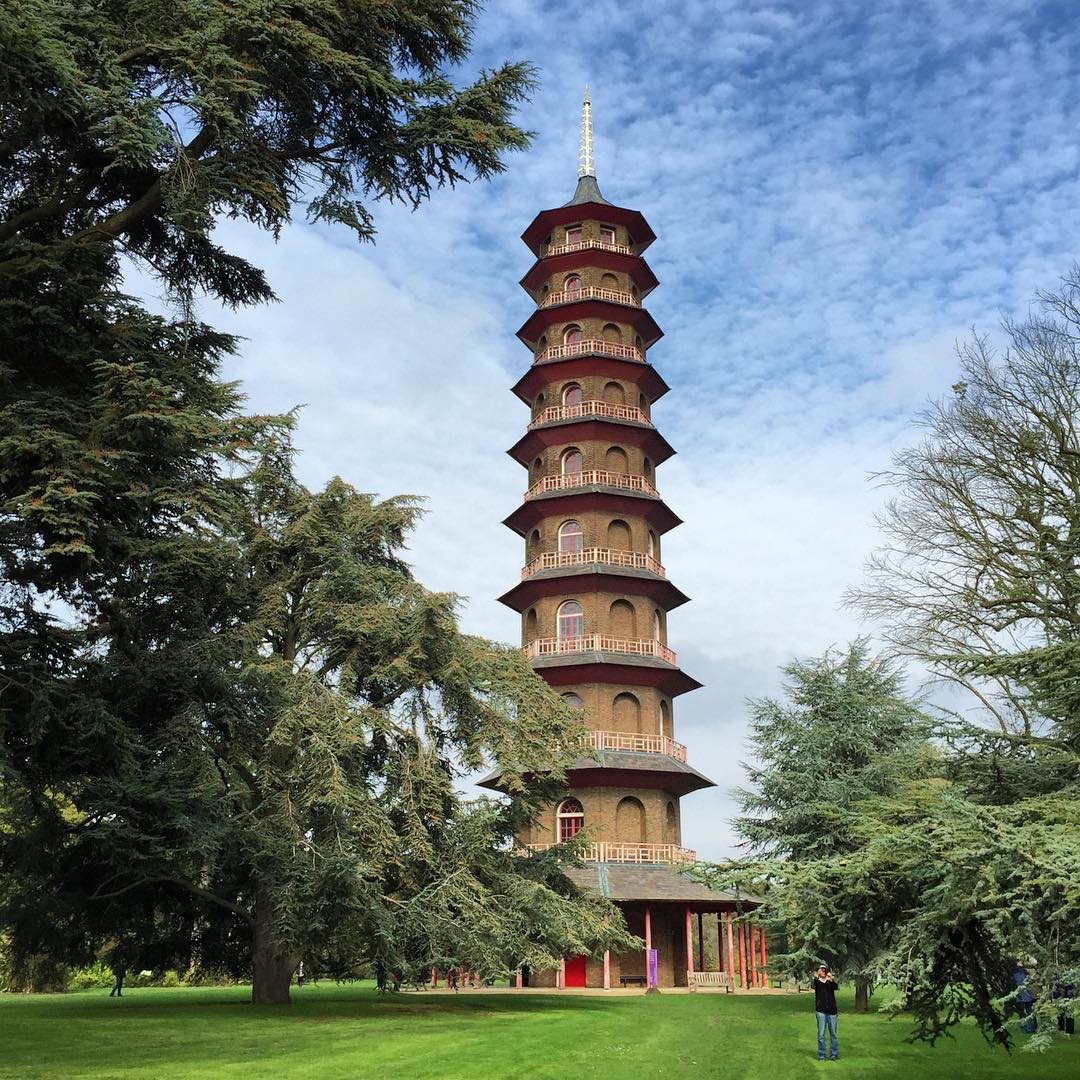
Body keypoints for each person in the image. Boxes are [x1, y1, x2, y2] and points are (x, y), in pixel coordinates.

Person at [812, 964, 839, 1061]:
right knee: (821, 1035)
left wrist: (830, 979)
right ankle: (822, 1055)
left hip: (832, 1011)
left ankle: (834, 1054)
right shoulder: (817, 982)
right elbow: (814, 985)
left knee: (833, 1034)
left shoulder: (830, 982)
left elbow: (836, 987)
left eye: (824, 970)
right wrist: (816, 977)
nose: (822, 971)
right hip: (821, 1012)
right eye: (821, 969)